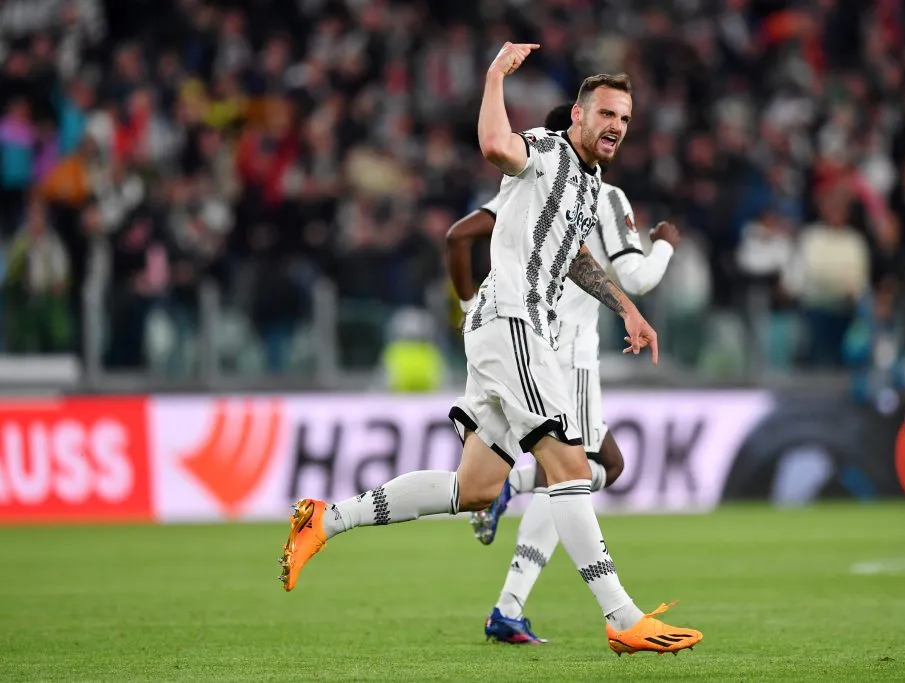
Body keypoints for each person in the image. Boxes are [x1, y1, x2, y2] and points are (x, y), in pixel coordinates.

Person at [278, 42, 702, 655]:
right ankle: (622, 615)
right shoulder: (549, 150)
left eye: (625, 118)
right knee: (571, 466)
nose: (616, 126)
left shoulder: (589, 185)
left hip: (504, 327)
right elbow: (494, 147)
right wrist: (495, 76)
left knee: (474, 488)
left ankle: (324, 519)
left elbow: (576, 259)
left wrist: (629, 309)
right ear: (578, 116)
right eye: (606, 114)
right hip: (512, 324)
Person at [446, 103, 681, 644]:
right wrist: (666, 241)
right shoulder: (597, 192)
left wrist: (468, 306)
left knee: (591, 468)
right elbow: (639, 277)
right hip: (563, 352)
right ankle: (535, 602)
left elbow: (459, 234)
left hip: (532, 341)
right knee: (581, 471)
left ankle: (510, 598)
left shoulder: (527, 185)